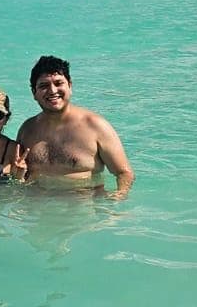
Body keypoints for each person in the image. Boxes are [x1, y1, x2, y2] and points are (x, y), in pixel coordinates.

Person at [16, 55, 134, 199]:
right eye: (43, 86)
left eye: (58, 83)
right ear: (34, 93)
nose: (52, 91)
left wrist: (118, 197)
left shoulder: (95, 126)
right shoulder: (27, 130)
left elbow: (124, 172)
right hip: (38, 208)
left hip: (83, 207)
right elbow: (19, 175)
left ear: (70, 86)